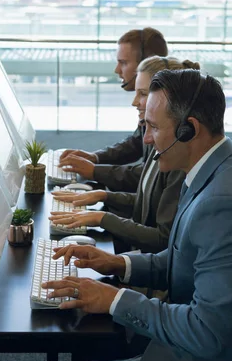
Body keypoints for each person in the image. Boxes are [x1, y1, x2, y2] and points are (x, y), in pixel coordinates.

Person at [43, 69, 232, 361]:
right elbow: (184, 259)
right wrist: (117, 263)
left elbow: (205, 334)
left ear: (188, 130)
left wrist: (113, 299)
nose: (147, 139)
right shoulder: (224, 168)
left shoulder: (227, 206)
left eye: (153, 127)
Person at [50, 56, 194, 254]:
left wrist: (103, 216)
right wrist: (104, 196)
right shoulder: (160, 140)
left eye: (143, 94)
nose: (135, 102)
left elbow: (163, 239)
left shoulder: (176, 155)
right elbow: (148, 200)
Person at [58, 27, 168, 175]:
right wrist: (95, 158)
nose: (117, 70)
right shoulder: (149, 103)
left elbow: (150, 179)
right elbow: (136, 143)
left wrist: (95, 171)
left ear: (145, 63)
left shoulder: (167, 110)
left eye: (123, 63)